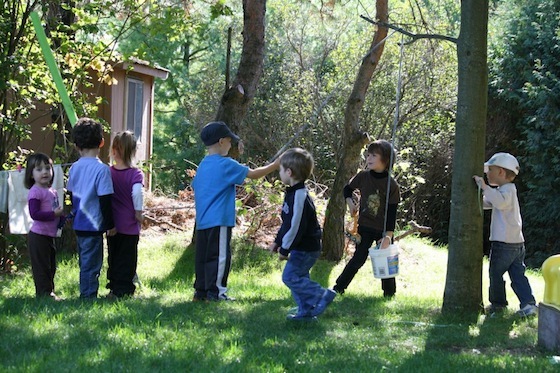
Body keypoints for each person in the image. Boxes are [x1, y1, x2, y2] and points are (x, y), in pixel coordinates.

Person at [192, 121, 280, 302]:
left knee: (203, 257)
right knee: (220, 257)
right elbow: (254, 174)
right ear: (222, 141)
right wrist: (277, 164)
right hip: (220, 220)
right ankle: (216, 293)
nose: (231, 145)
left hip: (202, 221)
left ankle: (200, 293)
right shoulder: (226, 164)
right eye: (230, 141)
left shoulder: (203, 165)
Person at [269, 148, 336, 321]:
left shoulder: (299, 195)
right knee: (299, 278)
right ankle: (305, 312)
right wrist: (277, 241)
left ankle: (321, 295)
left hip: (306, 248)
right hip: (302, 246)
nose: (279, 173)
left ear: (289, 172)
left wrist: (285, 248)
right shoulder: (292, 192)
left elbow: (295, 226)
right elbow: (286, 222)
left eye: (281, 170)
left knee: (290, 277)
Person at [332, 140, 401, 298]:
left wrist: (388, 237)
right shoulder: (363, 176)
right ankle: (338, 288)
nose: (368, 158)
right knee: (358, 259)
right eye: (368, 154)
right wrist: (350, 203)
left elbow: (392, 213)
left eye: (374, 155)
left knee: (385, 260)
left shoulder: (392, 185)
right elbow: (347, 190)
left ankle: (389, 294)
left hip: (383, 231)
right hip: (365, 226)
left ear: (386, 160)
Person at [473, 152, 538, 317]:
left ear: (501, 172)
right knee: (518, 275)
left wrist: (485, 187)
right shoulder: (505, 190)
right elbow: (491, 202)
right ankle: (528, 304)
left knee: (495, 273)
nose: (487, 173)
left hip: (504, 243)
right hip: (516, 243)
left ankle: (498, 305)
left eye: (490, 170)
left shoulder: (507, 190)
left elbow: (499, 202)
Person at [67, 117, 115, 299]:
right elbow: (105, 200)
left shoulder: (74, 168)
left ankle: (86, 291)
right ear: (102, 142)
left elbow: (71, 194)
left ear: (76, 146)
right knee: (92, 264)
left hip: (79, 222)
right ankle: (87, 295)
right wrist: (110, 225)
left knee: (84, 261)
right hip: (94, 225)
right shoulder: (102, 170)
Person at [106, 131, 144, 300]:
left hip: (112, 224)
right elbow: (137, 193)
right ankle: (124, 289)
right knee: (127, 259)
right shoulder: (135, 174)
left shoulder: (108, 172)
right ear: (134, 151)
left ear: (113, 150)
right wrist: (138, 212)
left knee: (113, 256)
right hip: (129, 225)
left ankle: (114, 286)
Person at [24, 153, 64, 300]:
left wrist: (62, 218)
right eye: (39, 169)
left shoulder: (51, 191)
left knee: (51, 265)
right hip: (38, 235)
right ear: (31, 174)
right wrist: (54, 214)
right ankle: (43, 293)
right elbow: (35, 214)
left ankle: (49, 291)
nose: (45, 172)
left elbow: (56, 211)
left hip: (49, 235)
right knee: (41, 267)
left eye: (47, 168)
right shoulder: (35, 191)